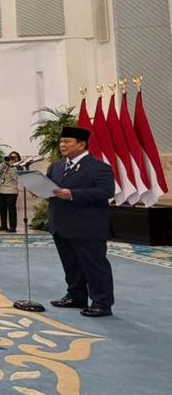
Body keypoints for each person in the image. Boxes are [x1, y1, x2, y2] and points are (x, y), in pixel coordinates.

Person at [47, 127, 116, 318]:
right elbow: (50, 188)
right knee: (71, 264)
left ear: (81, 144)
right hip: (61, 224)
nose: (62, 145)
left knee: (94, 265)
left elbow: (106, 192)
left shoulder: (99, 167)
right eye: (61, 142)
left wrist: (73, 194)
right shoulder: (57, 166)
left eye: (67, 141)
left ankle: (102, 302)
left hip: (88, 226)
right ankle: (76, 296)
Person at [0, 151, 21, 233]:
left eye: (14, 157)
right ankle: (4, 225)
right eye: (10, 157)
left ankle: (13, 227)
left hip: (11, 191)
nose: (12, 159)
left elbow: (15, 178)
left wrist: (12, 166)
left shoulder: (19, 167)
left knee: (11, 209)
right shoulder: (5, 165)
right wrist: (4, 163)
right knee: (2, 209)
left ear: (18, 158)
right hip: (1, 190)